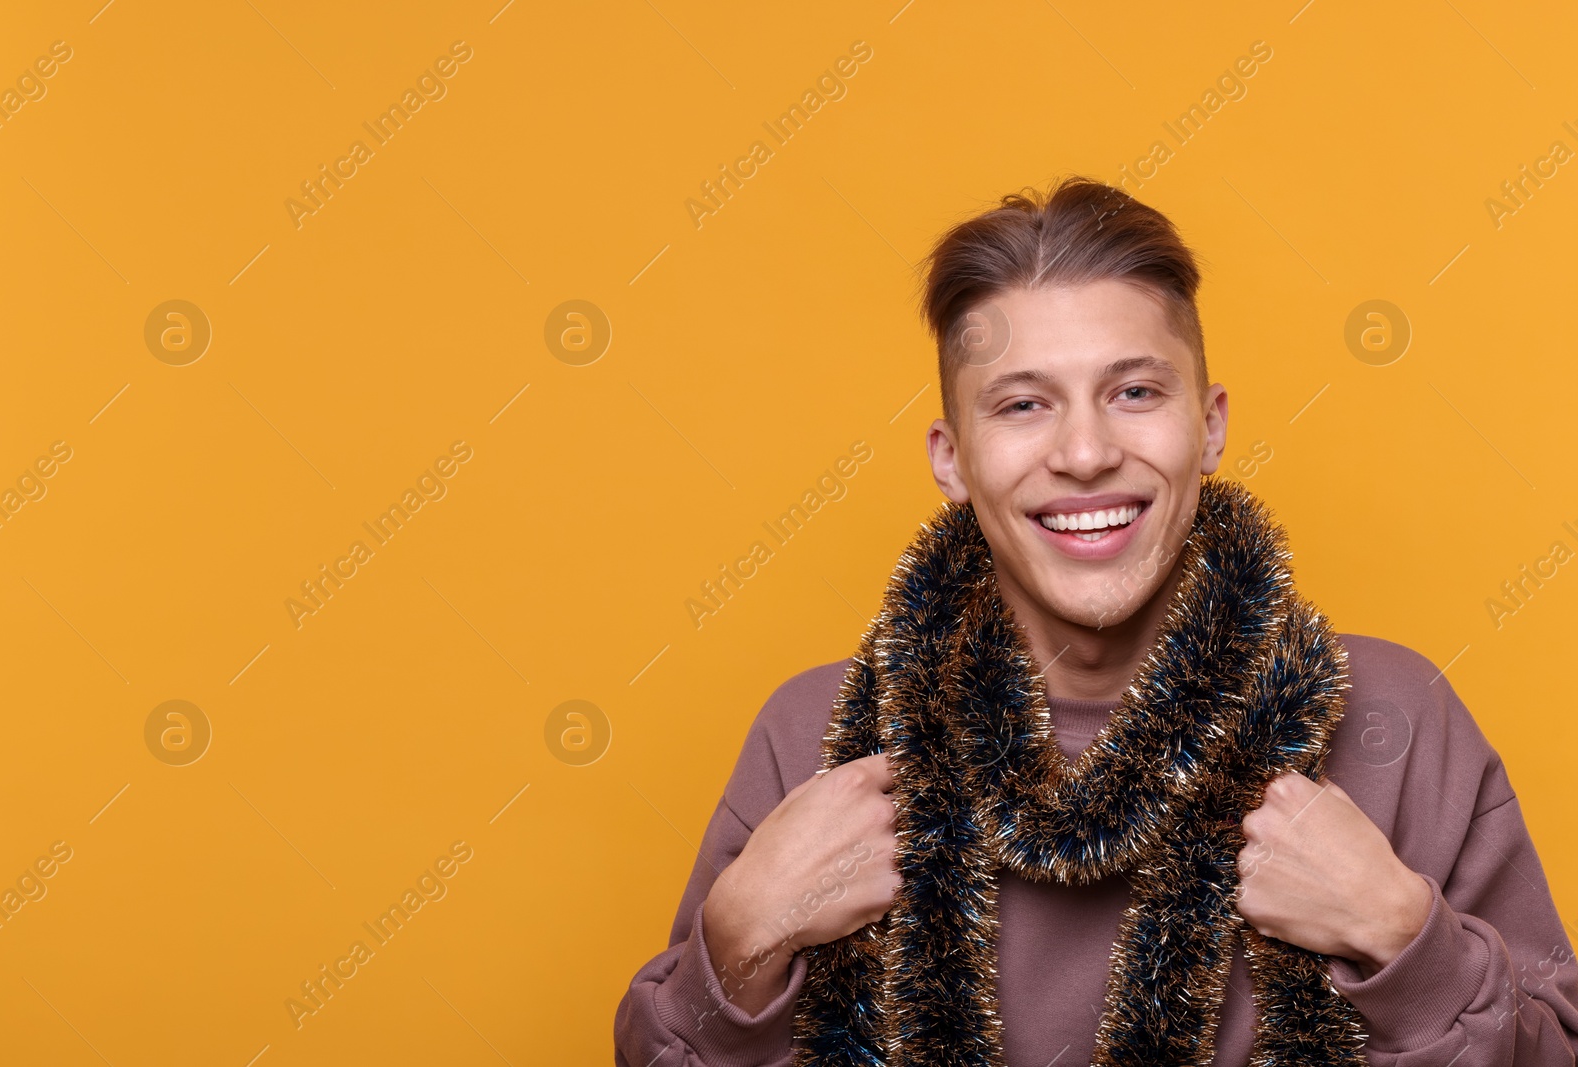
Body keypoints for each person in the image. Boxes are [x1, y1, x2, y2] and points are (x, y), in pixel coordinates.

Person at [614, 176, 1578, 1066]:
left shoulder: (1397, 719)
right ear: (952, 457)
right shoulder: (814, 735)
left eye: (1135, 392)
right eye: (1024, 404)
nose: (1084, 452)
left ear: (1209, 425)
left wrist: (1407, 939)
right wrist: (737, 941)